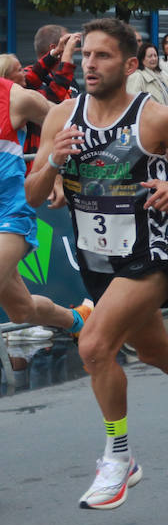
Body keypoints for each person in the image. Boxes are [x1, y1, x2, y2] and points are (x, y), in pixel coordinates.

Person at [25, 18, 168, 510]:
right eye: (85, 54)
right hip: (95, 258)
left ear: (129, 65)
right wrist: (56, 165)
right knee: (153, 350)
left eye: (102, 56)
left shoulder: (154, 118)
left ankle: (120, 456)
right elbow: (33, 195)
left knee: (94, 345)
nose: (89, 64)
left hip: (146, 255)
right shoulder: (61, 117)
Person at [0, 71, 87, 338]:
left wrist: (55, 173)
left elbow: (68, 124)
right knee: (21, 310)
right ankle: (80, 320)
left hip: (9, 215)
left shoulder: (14, 97)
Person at [126, 41, 168, 107]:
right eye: (150, 56)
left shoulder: (164, 76)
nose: (154, 58)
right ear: (142, 59)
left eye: (155, 55)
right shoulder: (137, 76)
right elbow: (132, 104)